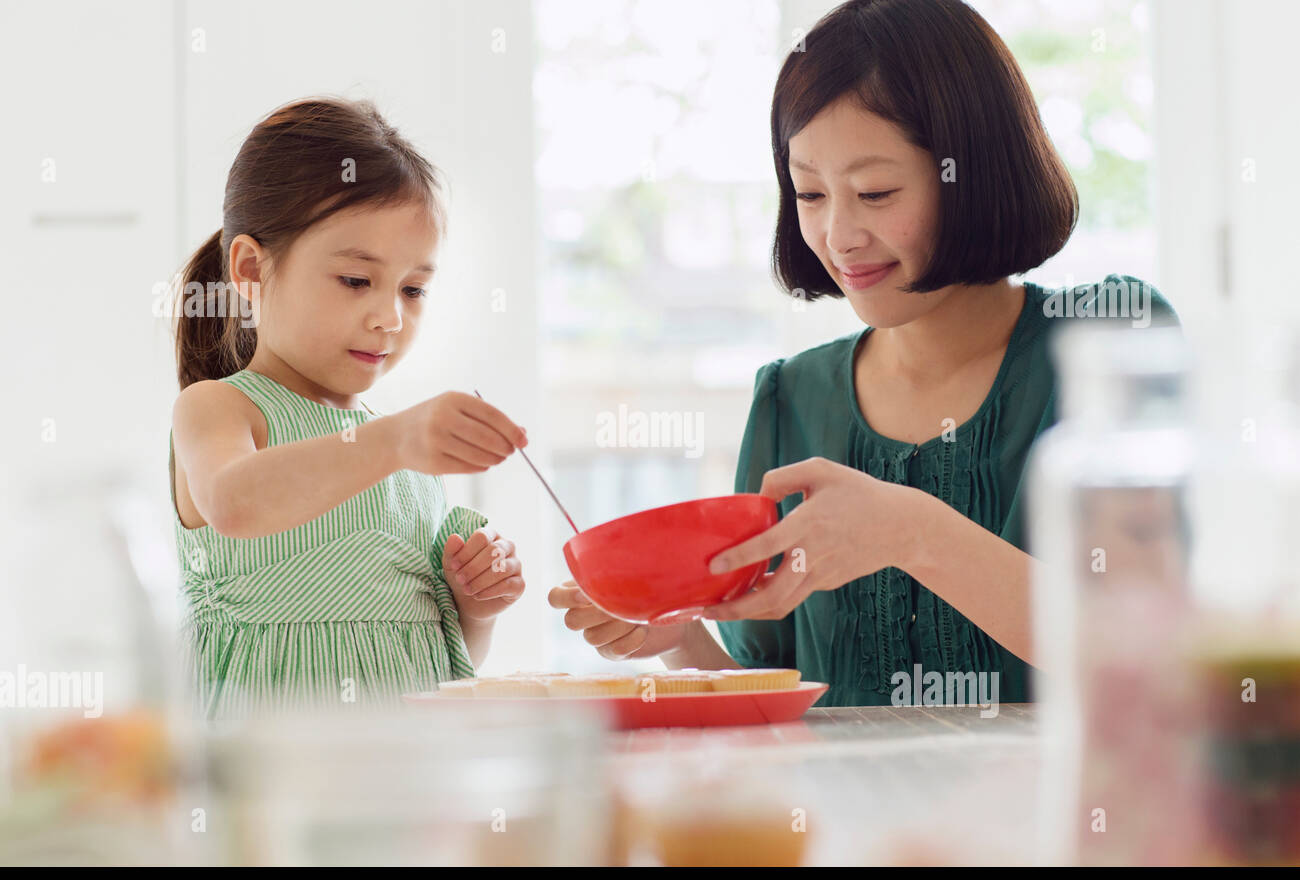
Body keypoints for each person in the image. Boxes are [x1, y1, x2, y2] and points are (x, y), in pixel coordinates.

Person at [549, 0, 1179, 706]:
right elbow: (785, 710)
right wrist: (680, 641)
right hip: (847, 819)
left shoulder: (1111, 342)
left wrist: (911, 531)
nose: (838, 235)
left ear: (968, 172)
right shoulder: (790, 399)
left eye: (875, 192)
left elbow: (1150, 660)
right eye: (810, 193)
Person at [169, 97, 528, 718]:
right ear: (252, 269)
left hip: (403, 779)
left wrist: (476, 608)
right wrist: (394, 442)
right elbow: (233, 500)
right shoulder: (220, 409)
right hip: (267, 783)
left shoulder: (403, 456)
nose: (389, 317)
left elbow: (436, 652)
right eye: (357, 280)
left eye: (413, 289)